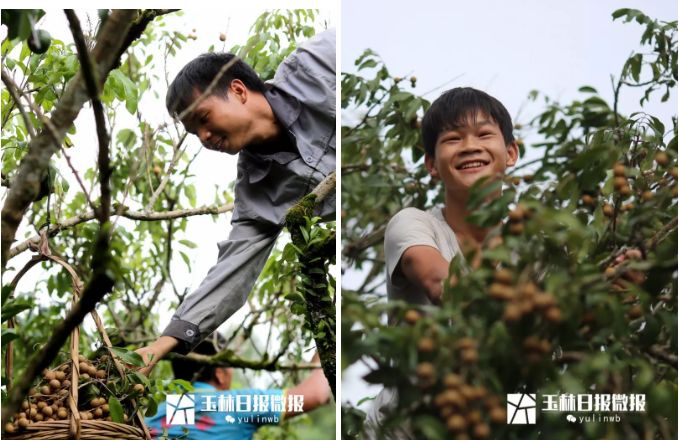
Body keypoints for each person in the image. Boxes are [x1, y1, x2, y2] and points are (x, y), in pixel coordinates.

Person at [137, 28, 336, 366]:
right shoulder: (256, 192)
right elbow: (231, 272)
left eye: (203, 119)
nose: (203, 136)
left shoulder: (319, 62)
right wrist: (157, 348)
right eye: (193, 133)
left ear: (239, 90)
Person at [365, 87, 519, 438]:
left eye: (483, 134)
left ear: (511, 152)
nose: (469, 146)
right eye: (452, 138)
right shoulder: (414, 224)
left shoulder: (535, 246)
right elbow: (442, 285)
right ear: (432, 164)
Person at [145, 339, 331, 439]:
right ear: (219, 373)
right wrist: (327, 344)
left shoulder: (155, 414)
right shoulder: (236, 404)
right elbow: (316, 395)